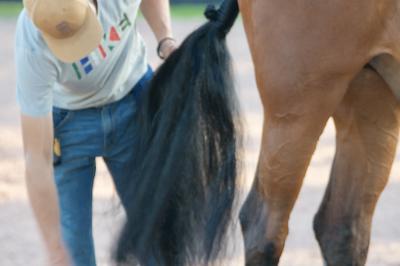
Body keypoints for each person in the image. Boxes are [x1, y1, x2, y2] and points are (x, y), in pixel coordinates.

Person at [15, 0, 177, 265]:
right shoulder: (32, 38)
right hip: (67, 123)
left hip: (132, 99)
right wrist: (54, 249)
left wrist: (165, 39)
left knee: (157, 234)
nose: (78, 52)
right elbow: (36, 158)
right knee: (72, 251)